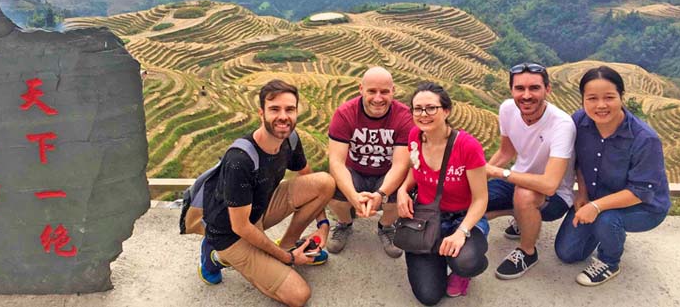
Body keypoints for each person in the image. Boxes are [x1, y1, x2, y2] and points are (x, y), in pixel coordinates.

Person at [199, 79, 336, 307]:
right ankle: (215, 256)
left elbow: (306, 173)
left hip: (259, 208)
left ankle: (288, 244)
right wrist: (290, 260)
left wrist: (323, 225)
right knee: (299, 295)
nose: (283, 116)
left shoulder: (289, 139)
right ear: (261, 113)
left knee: (325, 182)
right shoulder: (239, 160)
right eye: (275, 109)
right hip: (231, 233)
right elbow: (240, 227)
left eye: (289, 109)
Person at [554, 66, 670, 286]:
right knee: (567, 253)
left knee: (608, 220)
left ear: (621, 97)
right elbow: (578, 159)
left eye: (609, 97)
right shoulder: (579, 122)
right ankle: (606, 231)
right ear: (582, 100)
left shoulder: (644, 139)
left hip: (643, 207)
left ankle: (609, 261)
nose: (601, 105)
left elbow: (641, 192)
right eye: (592, 98)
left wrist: (596, 207)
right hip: (597, 196)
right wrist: (583, 194)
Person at [398, 82, 489, 305]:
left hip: (462, 217)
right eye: (417, 109)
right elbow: (415, 168)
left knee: (466, 261)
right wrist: (402, 189)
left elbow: (481, 199)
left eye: (431, 108)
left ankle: (461, 270)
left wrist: (462, 232)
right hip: (427, 218)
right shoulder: (414, 136)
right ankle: (438, 255)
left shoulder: (467, 146)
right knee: (428, 296)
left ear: (446, 111)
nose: (423, 114)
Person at [485, 62, 576, 279]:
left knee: (524, 195)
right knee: (475, 201)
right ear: (511, 90)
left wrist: (500, 173)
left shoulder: (562, 124)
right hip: (517, 180)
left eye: (534, 88)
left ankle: (527, 251)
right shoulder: (507, 109)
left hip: (554, 197)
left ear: (547, 89)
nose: (526, 95)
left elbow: (550, 184)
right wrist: (478, 179)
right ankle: (524, 219)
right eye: (520, 89)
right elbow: (506, 152)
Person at [326, 66, 414, 257]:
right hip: (354, 170)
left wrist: (381, 194)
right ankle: (344, 223)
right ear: (361, 89)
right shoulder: (344, 114)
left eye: (384, 92)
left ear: (393, 91)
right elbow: (336, 162)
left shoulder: (405, 117)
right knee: (332, 189)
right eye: (372, 91)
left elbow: (400, 164)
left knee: (399, 194)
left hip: (387, 171)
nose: (378, 98)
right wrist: (352, 196)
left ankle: (386, 227)